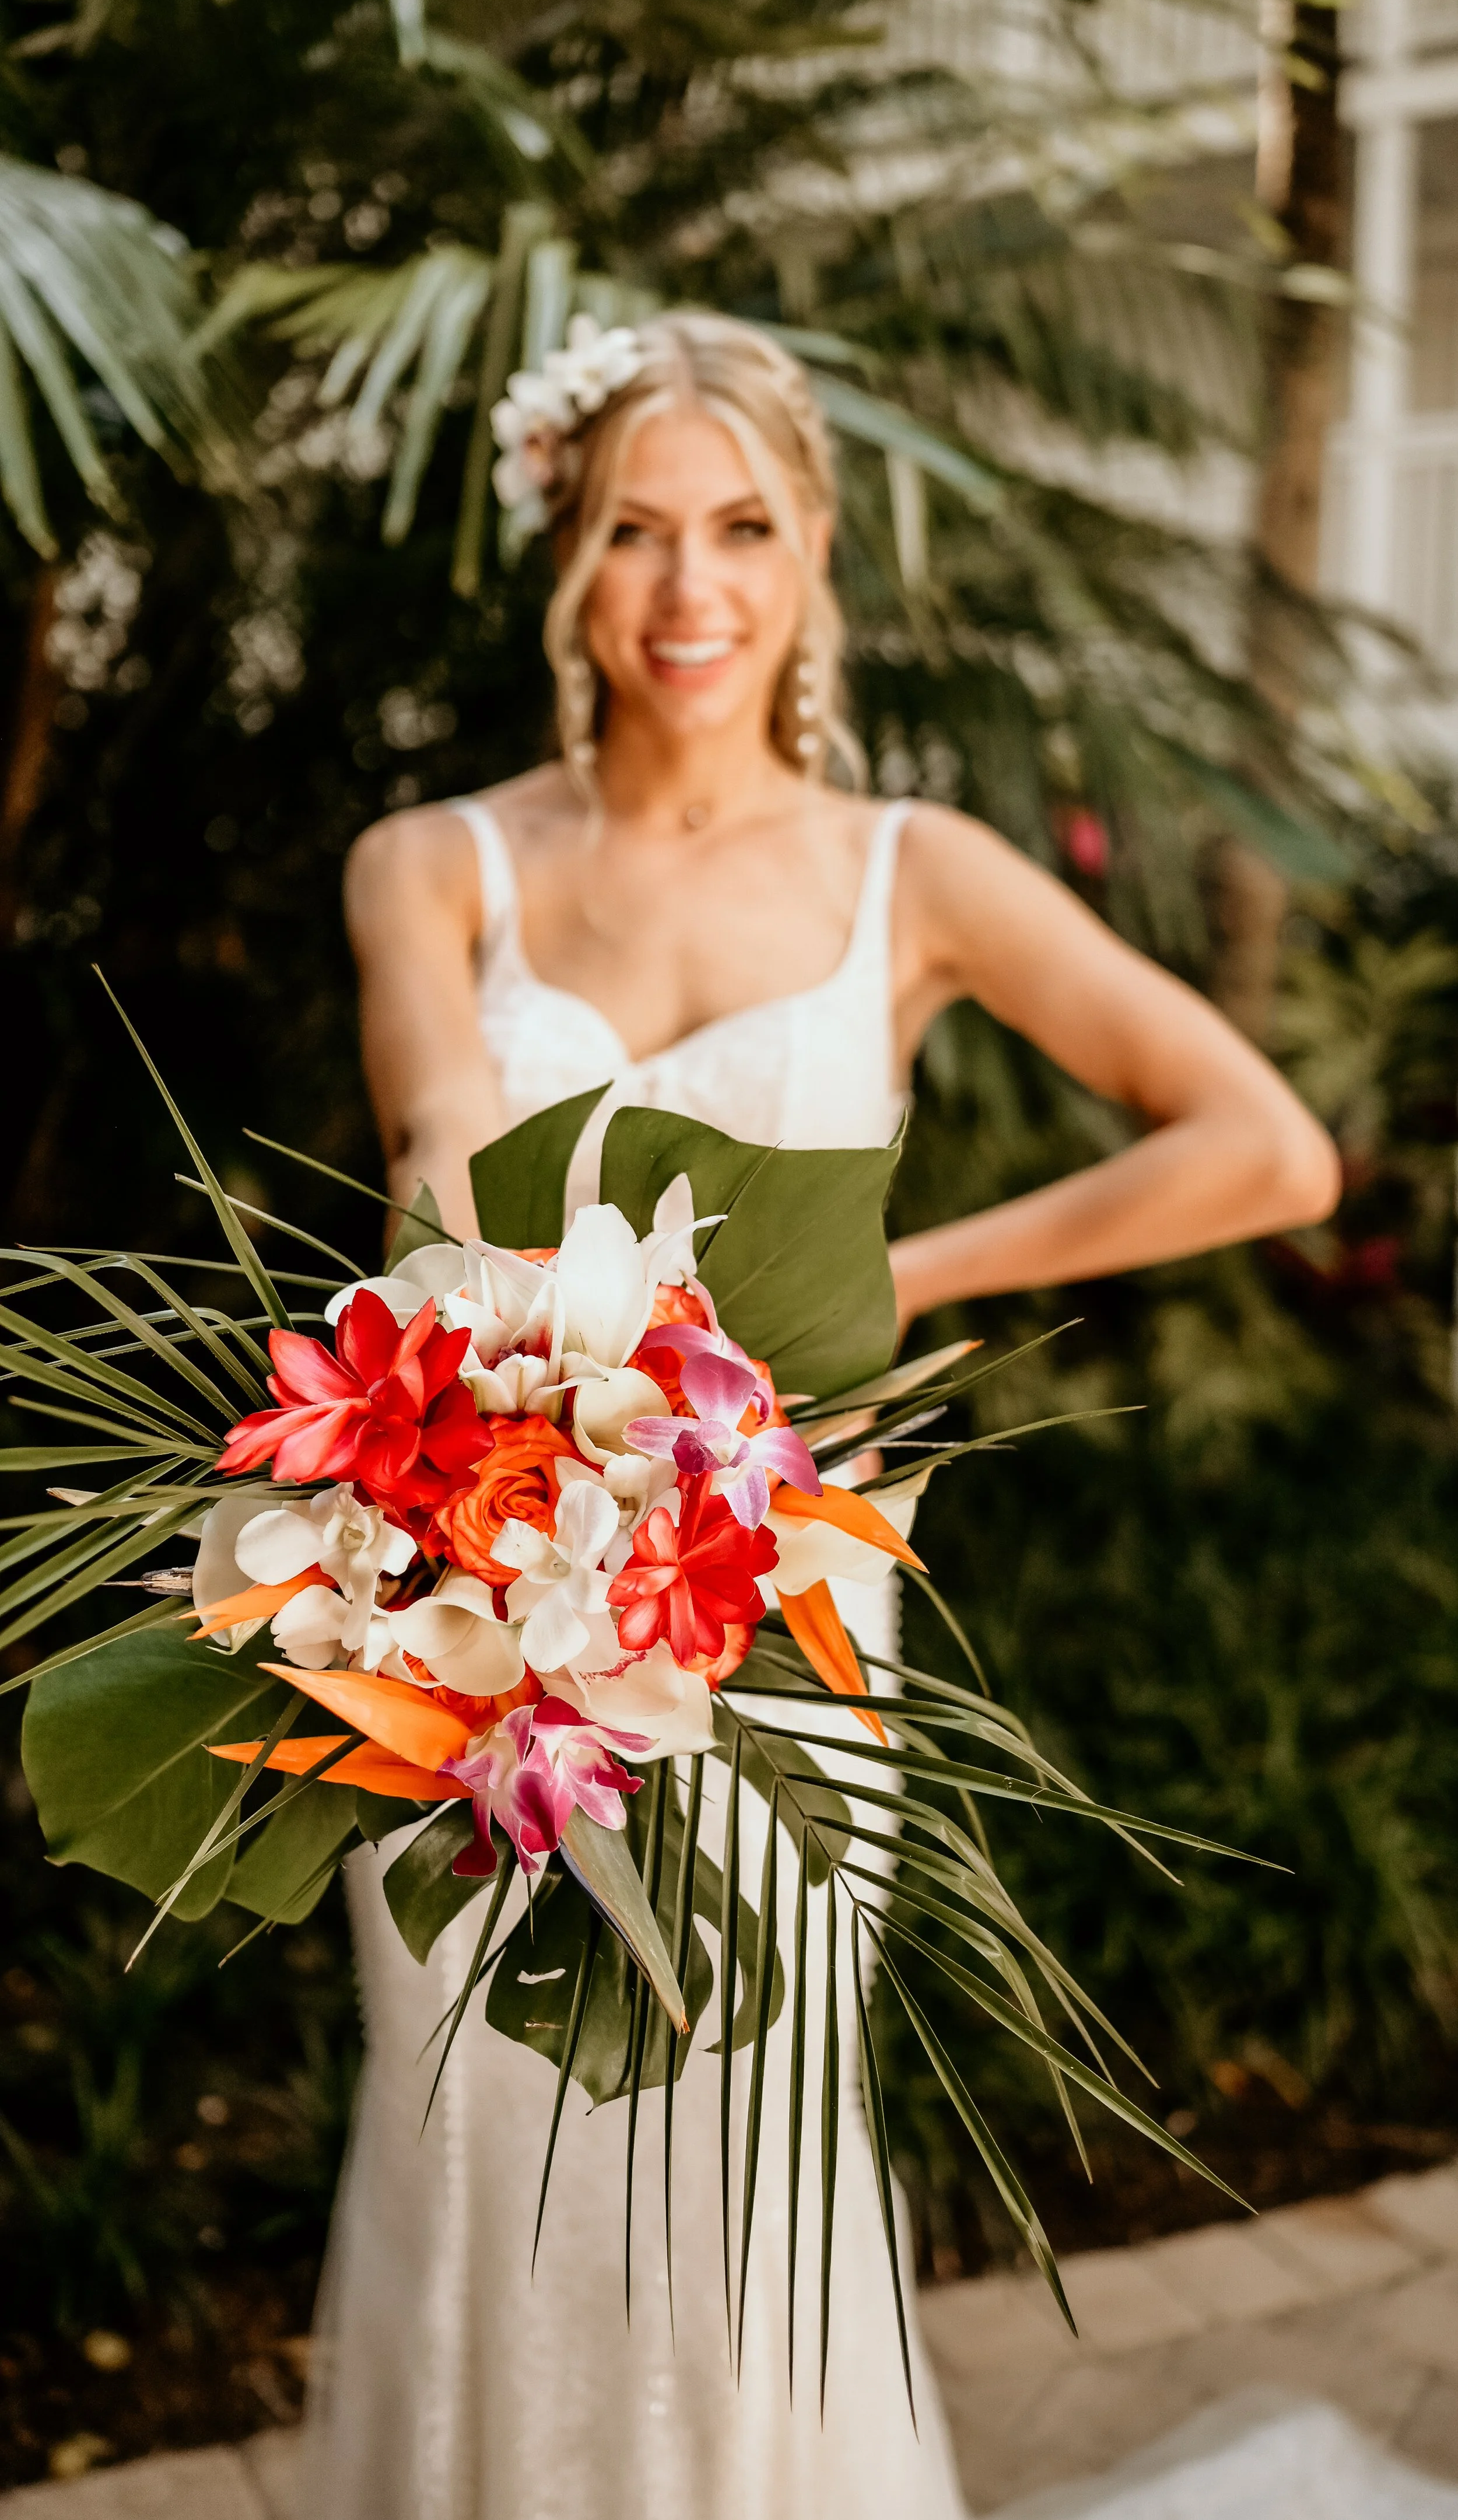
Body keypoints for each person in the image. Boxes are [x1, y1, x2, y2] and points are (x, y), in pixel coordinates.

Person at [304, 312, 1351, 2520]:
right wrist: (508, 1365)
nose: (690, 590)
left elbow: (1262, 1147)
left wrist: (893, 1291)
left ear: (811, 566)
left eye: (743, 530)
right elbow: (438, 1139)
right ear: (565, 568)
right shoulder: (436, 863)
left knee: (738, 2182)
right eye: (634, 533)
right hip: (473, 1635)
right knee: (473, 2156)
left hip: (777, 1641)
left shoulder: (912, 870)